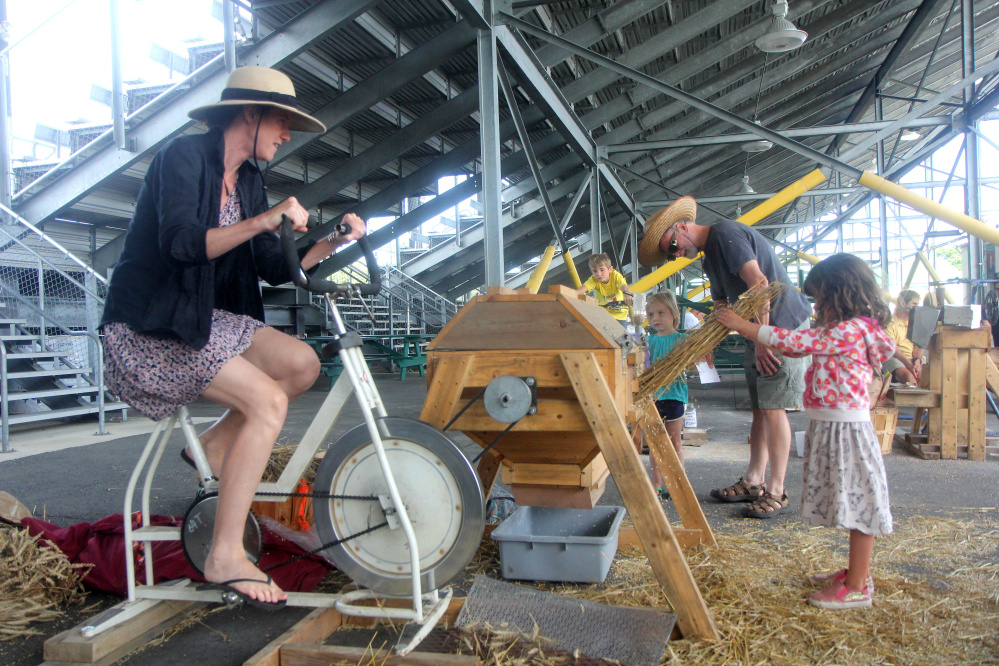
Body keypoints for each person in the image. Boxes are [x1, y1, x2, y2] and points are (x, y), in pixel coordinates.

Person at [100, 66, 367, 607]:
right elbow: (180, 244)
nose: (288, 134)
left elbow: (275, 266)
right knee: (268, 400)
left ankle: (219, 446)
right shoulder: (183, 158)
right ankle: (224, 553)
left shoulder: (248, 179)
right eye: (283, 121)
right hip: (149, 325)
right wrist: (264, 220)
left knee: (301, 365)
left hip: (200, 318)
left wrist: (335, 239)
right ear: (251, 112)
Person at [716, 253, 895, 609]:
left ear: (840, 294)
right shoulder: (841, 331)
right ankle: (853, 573)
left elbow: (793, 344)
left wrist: (740, 324)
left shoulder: (850, 330)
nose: (817, 307)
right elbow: (800, 349)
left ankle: (857, 585)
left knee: (858, 504)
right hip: (833, 426)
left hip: (846, 431)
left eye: (821, 299)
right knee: (848, 500)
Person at [638, 196, 812, 518]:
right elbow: (721, 304)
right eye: (671, 253)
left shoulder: (725, 235)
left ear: (682, 226)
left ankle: (777, 490)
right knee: (761, 407)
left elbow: (759, 284)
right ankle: (753, 481)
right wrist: (710, 336)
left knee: (773, 409)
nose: (676, 254)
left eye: (673, 245)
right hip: (757, 328)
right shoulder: (709, 258)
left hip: (780, 326)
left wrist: (764, 340)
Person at [645, 291, 689, 499]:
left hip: (674, 397)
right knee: (655, 444)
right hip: (653, 398)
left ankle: (677, 483)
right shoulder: (649, 342)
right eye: (651, 314)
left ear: (674, 313)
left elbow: (691, 362)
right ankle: (657, 483)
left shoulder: (684, 340)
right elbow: (645, 368)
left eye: (661, 313)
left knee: (674, 443)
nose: (655, 318)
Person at [576, 253, 632, 325]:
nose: (599, 274)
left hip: (620, 316)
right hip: (603, 315)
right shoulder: (593, 280)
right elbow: (579, 291)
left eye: (602, 270)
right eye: (595, 271)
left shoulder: (616, 276)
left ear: (610, 269)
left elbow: (624, 287)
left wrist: (628, 296)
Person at [883, 290, 924, 385]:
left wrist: (917, 360)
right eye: (914, 304)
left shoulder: (917, 323)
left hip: (914, 360)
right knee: (909, 378)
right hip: (896, 359)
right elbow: (893, 349)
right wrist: (908, 364)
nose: (916, 308)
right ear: (903, 303)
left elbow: (920, 346)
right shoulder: (890, 323)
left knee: (926, 379)